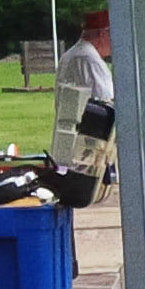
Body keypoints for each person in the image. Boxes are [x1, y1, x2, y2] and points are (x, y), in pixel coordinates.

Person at [49, 9, 114, 182]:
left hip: (69, 141)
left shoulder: (72, 54)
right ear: (102, 33)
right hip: (84, 149)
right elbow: (107, 101)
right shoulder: (89, 59)